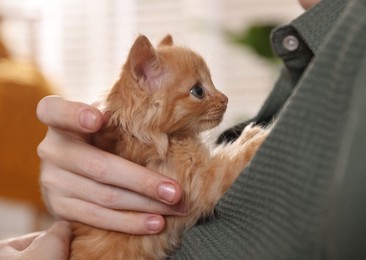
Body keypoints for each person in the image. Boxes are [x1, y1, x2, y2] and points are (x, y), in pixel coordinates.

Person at [3, 0, 366, 258]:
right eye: (198, 92)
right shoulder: (157, 150)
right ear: (145, 92)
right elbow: (208, 187)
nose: (220, 99)